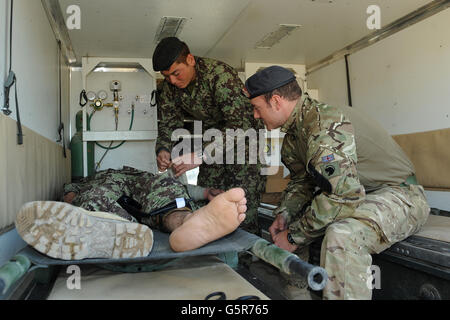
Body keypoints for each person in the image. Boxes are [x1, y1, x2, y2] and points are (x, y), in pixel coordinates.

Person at [243, 66, 430, 300]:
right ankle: (297, 294)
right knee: (294, 221)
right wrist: (284, 215)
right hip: (359, 195)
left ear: (277, 101)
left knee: (342, 236)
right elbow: (302, 182)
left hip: (400, 195)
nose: (255, 115)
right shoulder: (294, 134)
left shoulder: (325, 125)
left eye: (256, 107)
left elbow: (343, 196)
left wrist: (293, 237)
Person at [152, 37, 266, 234]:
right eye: (166, 76)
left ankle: (246, 261)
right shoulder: (171, 87)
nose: (172, 80)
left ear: (190, 60)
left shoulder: (219, 76)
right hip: (212, 142)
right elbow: (169, 123)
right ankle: (214, 258)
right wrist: (163, 149)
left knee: (243, 205)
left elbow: (241, 125)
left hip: (244, 144)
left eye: (176, 74)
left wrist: (200, 155)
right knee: (210, 200)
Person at [15, 166, 247, 260]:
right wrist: (73, 199)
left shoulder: (142, 174)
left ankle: (188, 223)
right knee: (96, 195)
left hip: (144, 188)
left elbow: (184, 188)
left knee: (169, 189)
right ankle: (116, 228)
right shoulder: (98, 176)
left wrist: (206, 192)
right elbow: (70, 194)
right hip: (112, 192)